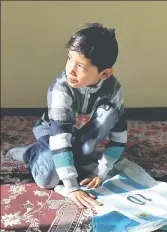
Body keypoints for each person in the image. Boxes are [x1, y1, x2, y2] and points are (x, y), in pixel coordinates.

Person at [5, 23, 127, 209]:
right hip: (53, 133)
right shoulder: (60, 87)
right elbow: (60, 138)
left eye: (80, 66)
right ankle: (30, 152)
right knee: (48, 179)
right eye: (69, 58)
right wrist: (71, 187)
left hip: (82, 132)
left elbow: (119, 135)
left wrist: (101, 172)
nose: (70, 69)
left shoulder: (113, 89)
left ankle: (80, 153)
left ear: (105, 74)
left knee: (109, 114)